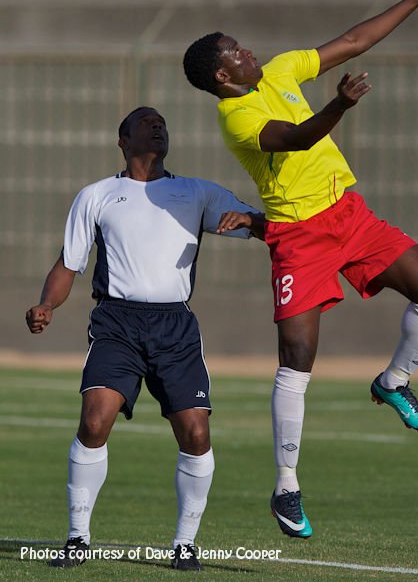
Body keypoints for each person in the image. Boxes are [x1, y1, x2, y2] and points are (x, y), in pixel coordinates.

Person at [182, 0, 418, 539]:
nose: (247, 52)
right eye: (235, 52)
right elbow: (294, 139)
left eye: (241, 44)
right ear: (221, 78)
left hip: (349, 216)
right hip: (299, 238)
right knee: (297, 357)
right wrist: (339, 106)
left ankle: (393, 381)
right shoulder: (235, 116)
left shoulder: (281, 71)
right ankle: (286, 485)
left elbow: (355, 39)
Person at [25, 106, 264, 571]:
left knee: (196, 432)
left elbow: (258, 224)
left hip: (175, 327)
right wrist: (47, 305)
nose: (158, 126)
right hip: (117, 323)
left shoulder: (196, 191)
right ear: (123, 140)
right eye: (146, 121)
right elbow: (68, 264)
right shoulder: (97, 196)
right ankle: (77, 538)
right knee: (95, 421)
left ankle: (185, 545)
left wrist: (253, 224)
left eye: (163, 123)